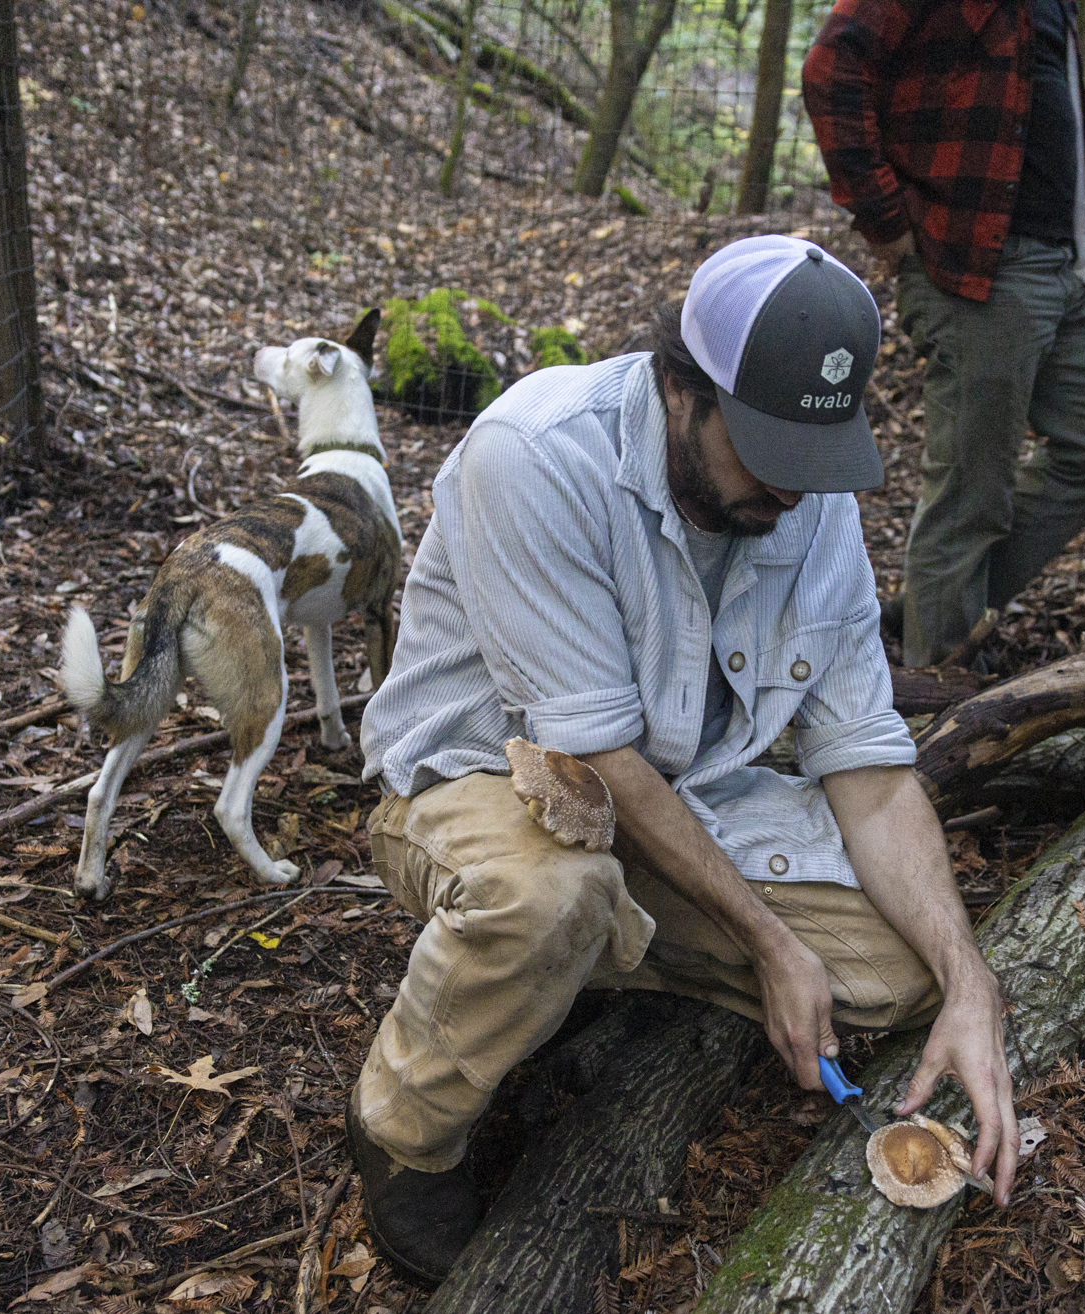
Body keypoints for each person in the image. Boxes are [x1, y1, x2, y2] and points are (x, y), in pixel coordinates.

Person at [351, 234, 1019, 1283]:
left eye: (813, 460)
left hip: (684, 797)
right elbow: (595, 755)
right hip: (487, 777)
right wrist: (763, 941)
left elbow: (869, 768)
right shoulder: (533, 454)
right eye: (764, 453)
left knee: (893, 974)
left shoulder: (811, 500)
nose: (794, 495)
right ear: (679, 390)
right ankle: (404, 1128)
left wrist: (970, 981)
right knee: (548, 895)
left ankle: (577, 960)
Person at [803, 0, 1085, 668]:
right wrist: (885, 219)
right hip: (977, 267)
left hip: (1065, 268)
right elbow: (830, 69)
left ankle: (935, 609)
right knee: (969, 494)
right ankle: (937, 702)